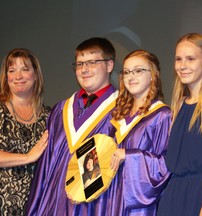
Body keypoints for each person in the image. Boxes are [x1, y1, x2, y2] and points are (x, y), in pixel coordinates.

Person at [25, 37, 118, 215]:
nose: (84, 69)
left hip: (95, 206)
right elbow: (46, 167)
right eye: (79, 64)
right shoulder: (61, 110)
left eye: (92, 62)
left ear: (109, 65)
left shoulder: (121, 110)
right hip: (54, 203)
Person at [157, 33, 202, 216]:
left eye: (190, 59)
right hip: (172, 199)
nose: (182, 66)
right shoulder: (179, 104)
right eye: (178, 59)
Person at [94, 49, 171, 215]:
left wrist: (129, 156)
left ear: (153, 75)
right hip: (110, 198)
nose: (130, 76)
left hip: (138, 205)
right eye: (126, 72)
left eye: (138, 71)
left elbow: (166, 165)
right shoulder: (117, 115)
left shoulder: (162, 116)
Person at [0, 48, 50, 215]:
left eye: (25, 69)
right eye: (12, 70)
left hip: (39, 206)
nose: (18, 76)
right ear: (6, 77)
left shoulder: (50, 116)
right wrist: (28, 157)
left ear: (35, 75)